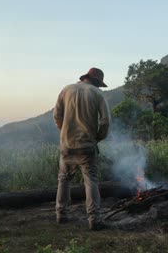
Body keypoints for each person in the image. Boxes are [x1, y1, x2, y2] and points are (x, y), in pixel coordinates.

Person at [53, 67, 110, 230]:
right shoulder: (97, 94)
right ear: (97, 82)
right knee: (90, 181)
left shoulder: (66, 90)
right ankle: (94, 219)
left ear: (85, 77)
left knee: (63, 179)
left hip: (67, 146)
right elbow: (105, 122)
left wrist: (64, 133)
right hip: (87, 147)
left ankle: (61, 215)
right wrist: (97, 138)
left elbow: (57, 115)